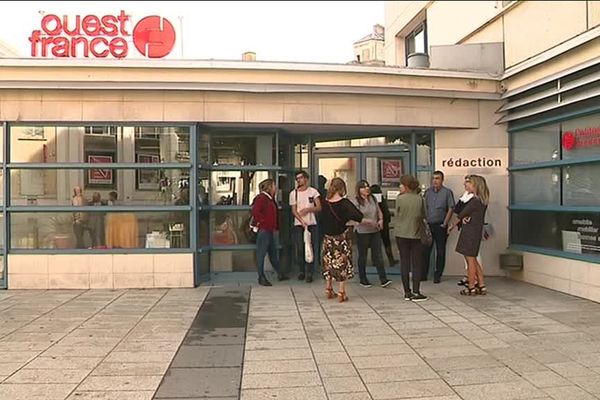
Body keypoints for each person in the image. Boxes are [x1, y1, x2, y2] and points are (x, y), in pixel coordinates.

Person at [319, 177, 365, 303]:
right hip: (341, 238)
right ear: (342, 188)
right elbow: (358, 216)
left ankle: (328, 288)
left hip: (328, 238)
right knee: (342, 264)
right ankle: (341, 291)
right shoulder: (344, 203)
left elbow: (320, 219)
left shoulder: (324, 202)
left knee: (329, 263)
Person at [449, 174, 489, 296]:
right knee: (474, 259)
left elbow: (460, 214)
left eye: (468, 183)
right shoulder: (481, 200)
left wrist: (451, 226)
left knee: (470, 259)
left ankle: (471, 286)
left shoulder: (474, 201)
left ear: (475, 185)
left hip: (470, 232)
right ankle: (481, 285)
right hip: (474, 231)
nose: (465, 185)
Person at [393, 175, 428, 302]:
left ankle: (407, 292)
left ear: (406, 185)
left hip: (401, 234)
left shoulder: (400, 199)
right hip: (416, 234)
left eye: (401, 184)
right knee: (417, 264)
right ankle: (416, 291)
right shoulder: (419, 199)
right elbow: (423, 215)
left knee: (404, 263)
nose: (400, 186)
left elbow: (397, 213)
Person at [351, 180, 392, 288]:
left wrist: (381, 220)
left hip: (375, 231)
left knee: (378, 255)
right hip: (362, 231)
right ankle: (363, 279)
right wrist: (370, 222)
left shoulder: (373, 198)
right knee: (363, 256)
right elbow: (356, 217)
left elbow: (379, 211)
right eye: (363, 187)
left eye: (367, 186)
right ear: (359, 190)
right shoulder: (356, 201)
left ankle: (383, 279)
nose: (366, 189)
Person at [251, 178, 289, 286]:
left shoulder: (269, 199)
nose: (275, 188)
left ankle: (280, 273)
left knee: (273, 253)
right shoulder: (262, 198)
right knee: (261, 254)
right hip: (265, 230)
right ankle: (261, 277)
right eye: (274, 186)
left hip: (270, 230)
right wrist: (263, 222)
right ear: (269, 187)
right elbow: (255, 212)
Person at [423, 171, 455, 283]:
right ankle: (424, 274)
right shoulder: (427, 192)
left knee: (440, 251)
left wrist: (445, 223)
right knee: (426, 250)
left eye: (437, 178)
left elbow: (451, 208)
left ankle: (438, 275)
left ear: (442, 180)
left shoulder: (447, 192)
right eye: (433, 178)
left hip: (441, 225)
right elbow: (424, 207)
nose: (434, 181)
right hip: (429, 225)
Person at [290, 170, 321, 283]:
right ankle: (301, 271)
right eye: (297, 178)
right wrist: (301, 221)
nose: (299, 180)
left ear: (306, 179)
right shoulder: (294, 193)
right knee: (300, 248)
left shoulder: (313, 192)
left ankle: (310, 272)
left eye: (301, 178)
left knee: (311, 247)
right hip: (299, 225)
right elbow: (294, 210)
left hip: (312, 224)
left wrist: (308, 209)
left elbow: (319, 207)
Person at [370, 184, 397, 267]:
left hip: (373, 224)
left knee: (374, 244)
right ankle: (391, 260)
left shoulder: (370, 199)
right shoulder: (381, 198)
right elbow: (385, 210)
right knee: (386, 242)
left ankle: (375, 261)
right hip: (383, 224)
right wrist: (387, 220)